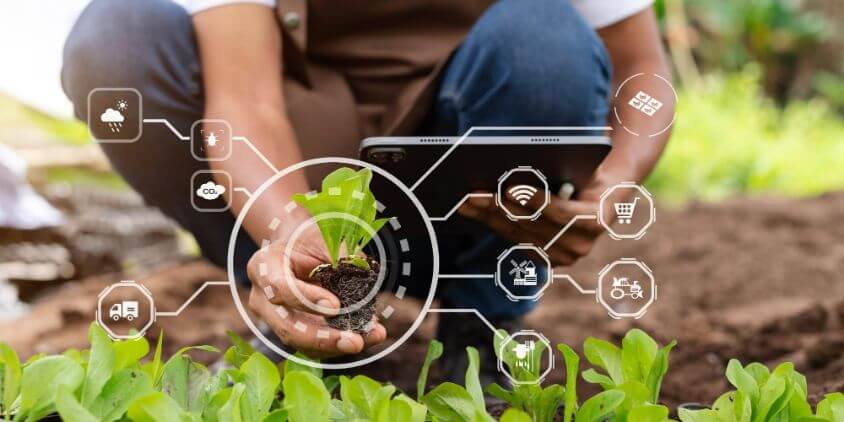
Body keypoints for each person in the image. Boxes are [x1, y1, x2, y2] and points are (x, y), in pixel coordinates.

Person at [61, 0, 672, 381]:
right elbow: (244, 103)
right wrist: (287, 228)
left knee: (547, 42)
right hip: (304, 156)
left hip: (467, 184)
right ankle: (310, 304)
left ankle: (483, 319)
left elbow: (641, 67)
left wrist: (612, 185)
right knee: (117, 38)